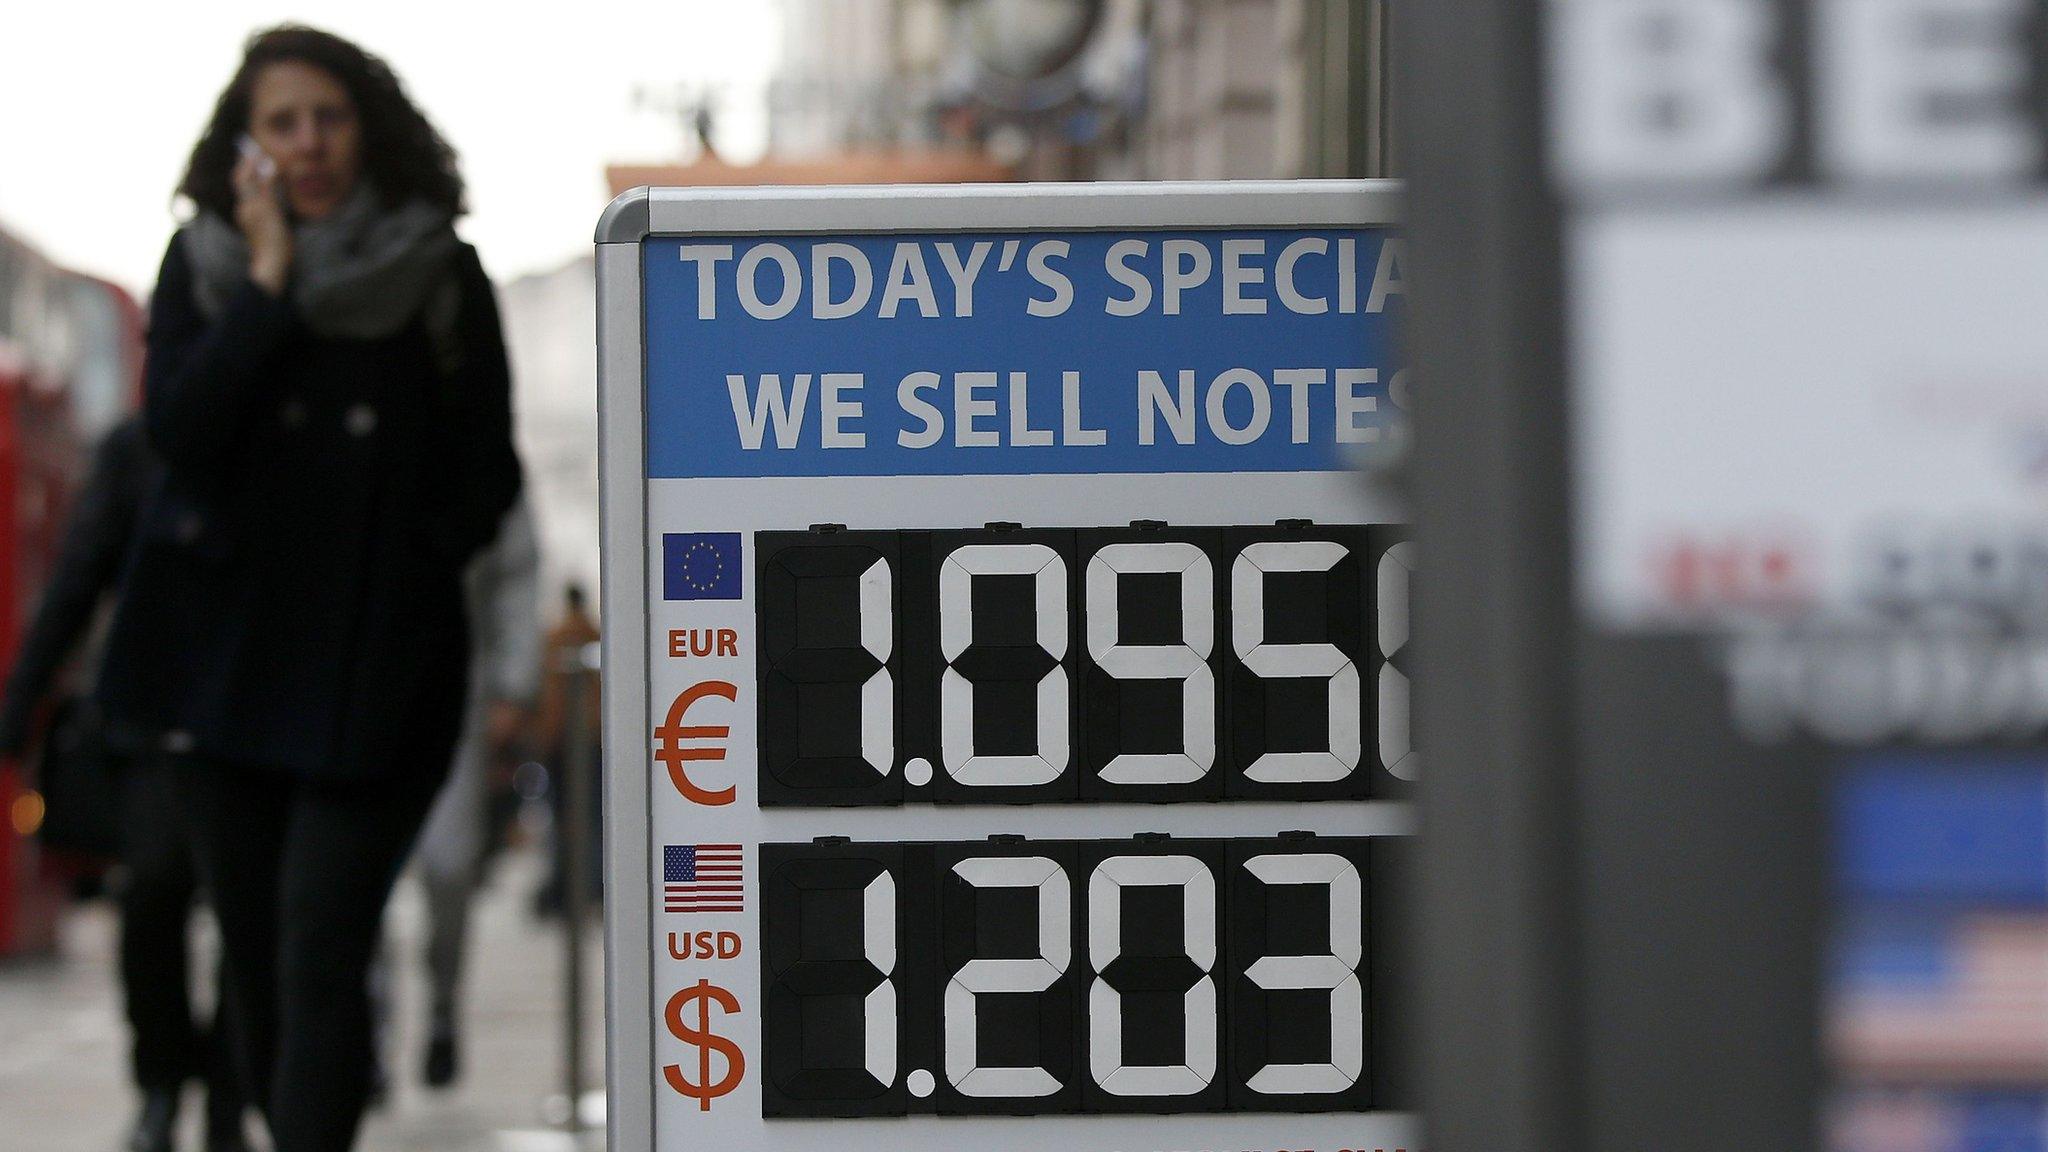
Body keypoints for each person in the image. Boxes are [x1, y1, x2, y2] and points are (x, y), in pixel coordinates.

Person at [96, 24, 520, 1152]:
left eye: (328, 116)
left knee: (319, 945)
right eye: (282, 122)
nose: (309, 142)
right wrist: (269, 287)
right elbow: (179, 435)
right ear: (248, 145)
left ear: (368, 125)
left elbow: (489, 471)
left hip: (377, 676)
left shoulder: (434, 270)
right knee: (257, 966)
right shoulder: (207, 267)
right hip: (225, 679)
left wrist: (411, 563)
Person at [0, 417, 249, 1152]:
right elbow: (78, 575)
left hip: (258, 722)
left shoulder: (278, 427)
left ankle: (232, 1095)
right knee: (152, 896)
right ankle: (163, 1082)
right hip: (153, 717)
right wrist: (24, 697)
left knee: (251, 915)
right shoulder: (136, 447)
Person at [408, 495, 541, 1087]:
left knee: (448, 867)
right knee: (347, 887)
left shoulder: (467, 426)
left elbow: (516, 570)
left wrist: (513, 683)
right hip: (344, 696)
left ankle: (440, 1002)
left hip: (453, 691)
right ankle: (362, 1028)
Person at [530, 584, 602, 917]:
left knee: (565, 818)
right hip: (589, 737)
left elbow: (551, 695)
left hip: (567, 739)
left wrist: (545, 738)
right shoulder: (594, 633)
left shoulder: (558, 637)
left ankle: (570, 887)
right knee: (589, 817)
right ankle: (585, 886)